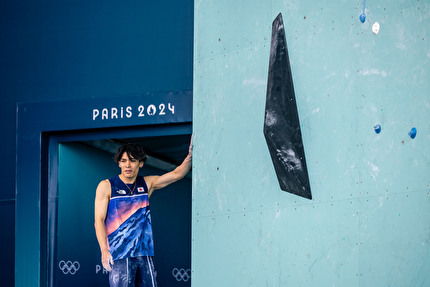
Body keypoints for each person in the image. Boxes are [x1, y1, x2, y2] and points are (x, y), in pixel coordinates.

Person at [94, 138, 192, 287]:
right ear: (119, 163)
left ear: (141, 163)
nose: (128, 165)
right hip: (119, 253)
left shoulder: (147, 183)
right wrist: (103, 250)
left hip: (144, 254)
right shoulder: (106, 186)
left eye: (133, 160)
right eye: (124, 160)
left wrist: (190, 155)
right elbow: (98, 221)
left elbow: (177, 174)